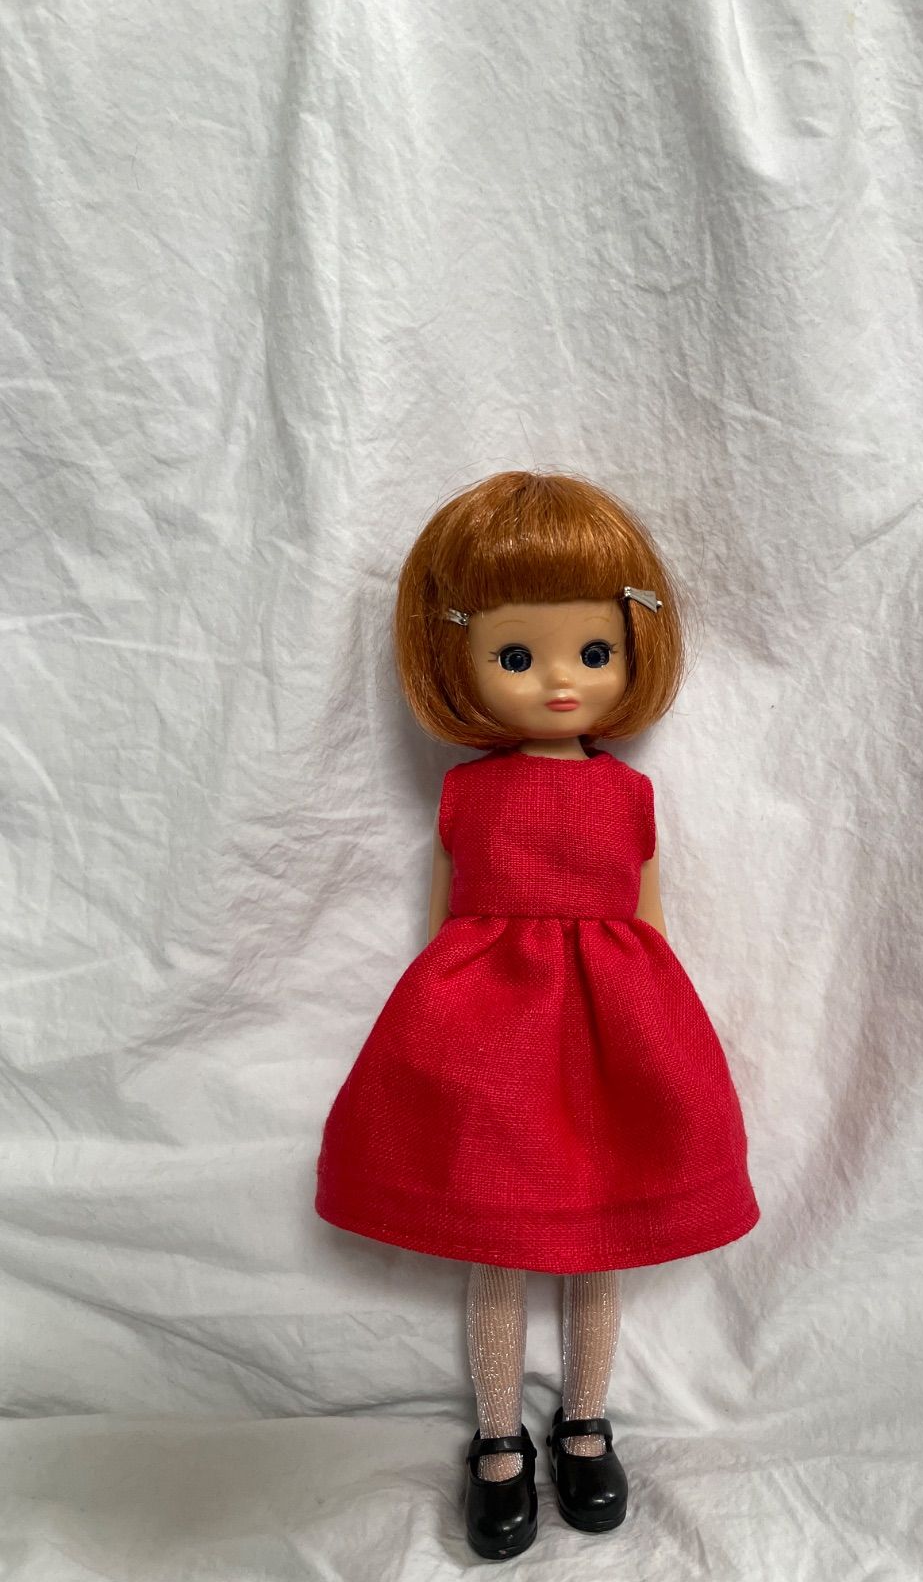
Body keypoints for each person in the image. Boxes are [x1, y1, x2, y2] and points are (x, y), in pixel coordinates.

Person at [314, 469, 760, 1560]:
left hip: (616, 1030)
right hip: (492, 1035)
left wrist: (663, 1031)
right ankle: (498, 1436)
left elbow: (648, 923)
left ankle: (587, 1422)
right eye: (517, 657)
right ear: (456, 658)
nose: (561, 679)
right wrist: (432, 1040)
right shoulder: (468, 793)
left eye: (592, 650)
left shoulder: (629, 796)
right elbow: (443, 928)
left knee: (599, 1245)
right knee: (497, 1245)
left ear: (634, 647)